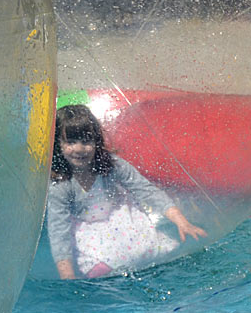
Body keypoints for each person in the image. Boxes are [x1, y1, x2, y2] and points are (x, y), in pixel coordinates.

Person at [47, 104, 207, 279]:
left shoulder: (111, 165)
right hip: (88, 233)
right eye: (70, 142)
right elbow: (58, 230)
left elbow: (145, 190)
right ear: (58, 145)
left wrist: (181, 221)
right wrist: (68, 277)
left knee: (154, 253)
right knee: (106, 272)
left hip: (123, 220)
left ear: (96, 141)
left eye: (86, 141)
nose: (79, 148)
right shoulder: (61, 185)